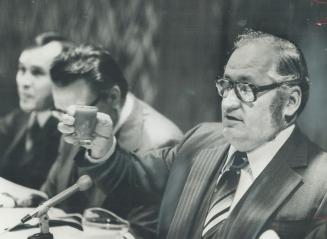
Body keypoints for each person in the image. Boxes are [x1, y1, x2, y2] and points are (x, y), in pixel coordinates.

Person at [58, 30, 327, 239]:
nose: (229, 102)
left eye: (247, 89)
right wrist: (103, 148)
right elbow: (135, 181)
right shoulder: (201, 140)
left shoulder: (321, 184)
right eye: (227, 85)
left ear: (290, 101)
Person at [41, 44, 183, 238]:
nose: (66, 120)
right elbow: (50, 196)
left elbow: (142, 233)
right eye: (60, 111)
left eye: (75, 112)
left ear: (113, 97)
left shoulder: (162, 143)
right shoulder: (72, 121)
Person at [0, 33, 71, 190]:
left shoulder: (69, 132)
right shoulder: (20, 118)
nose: (25, 82)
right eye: (21, 70)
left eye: (37, 73)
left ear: (63, 81)